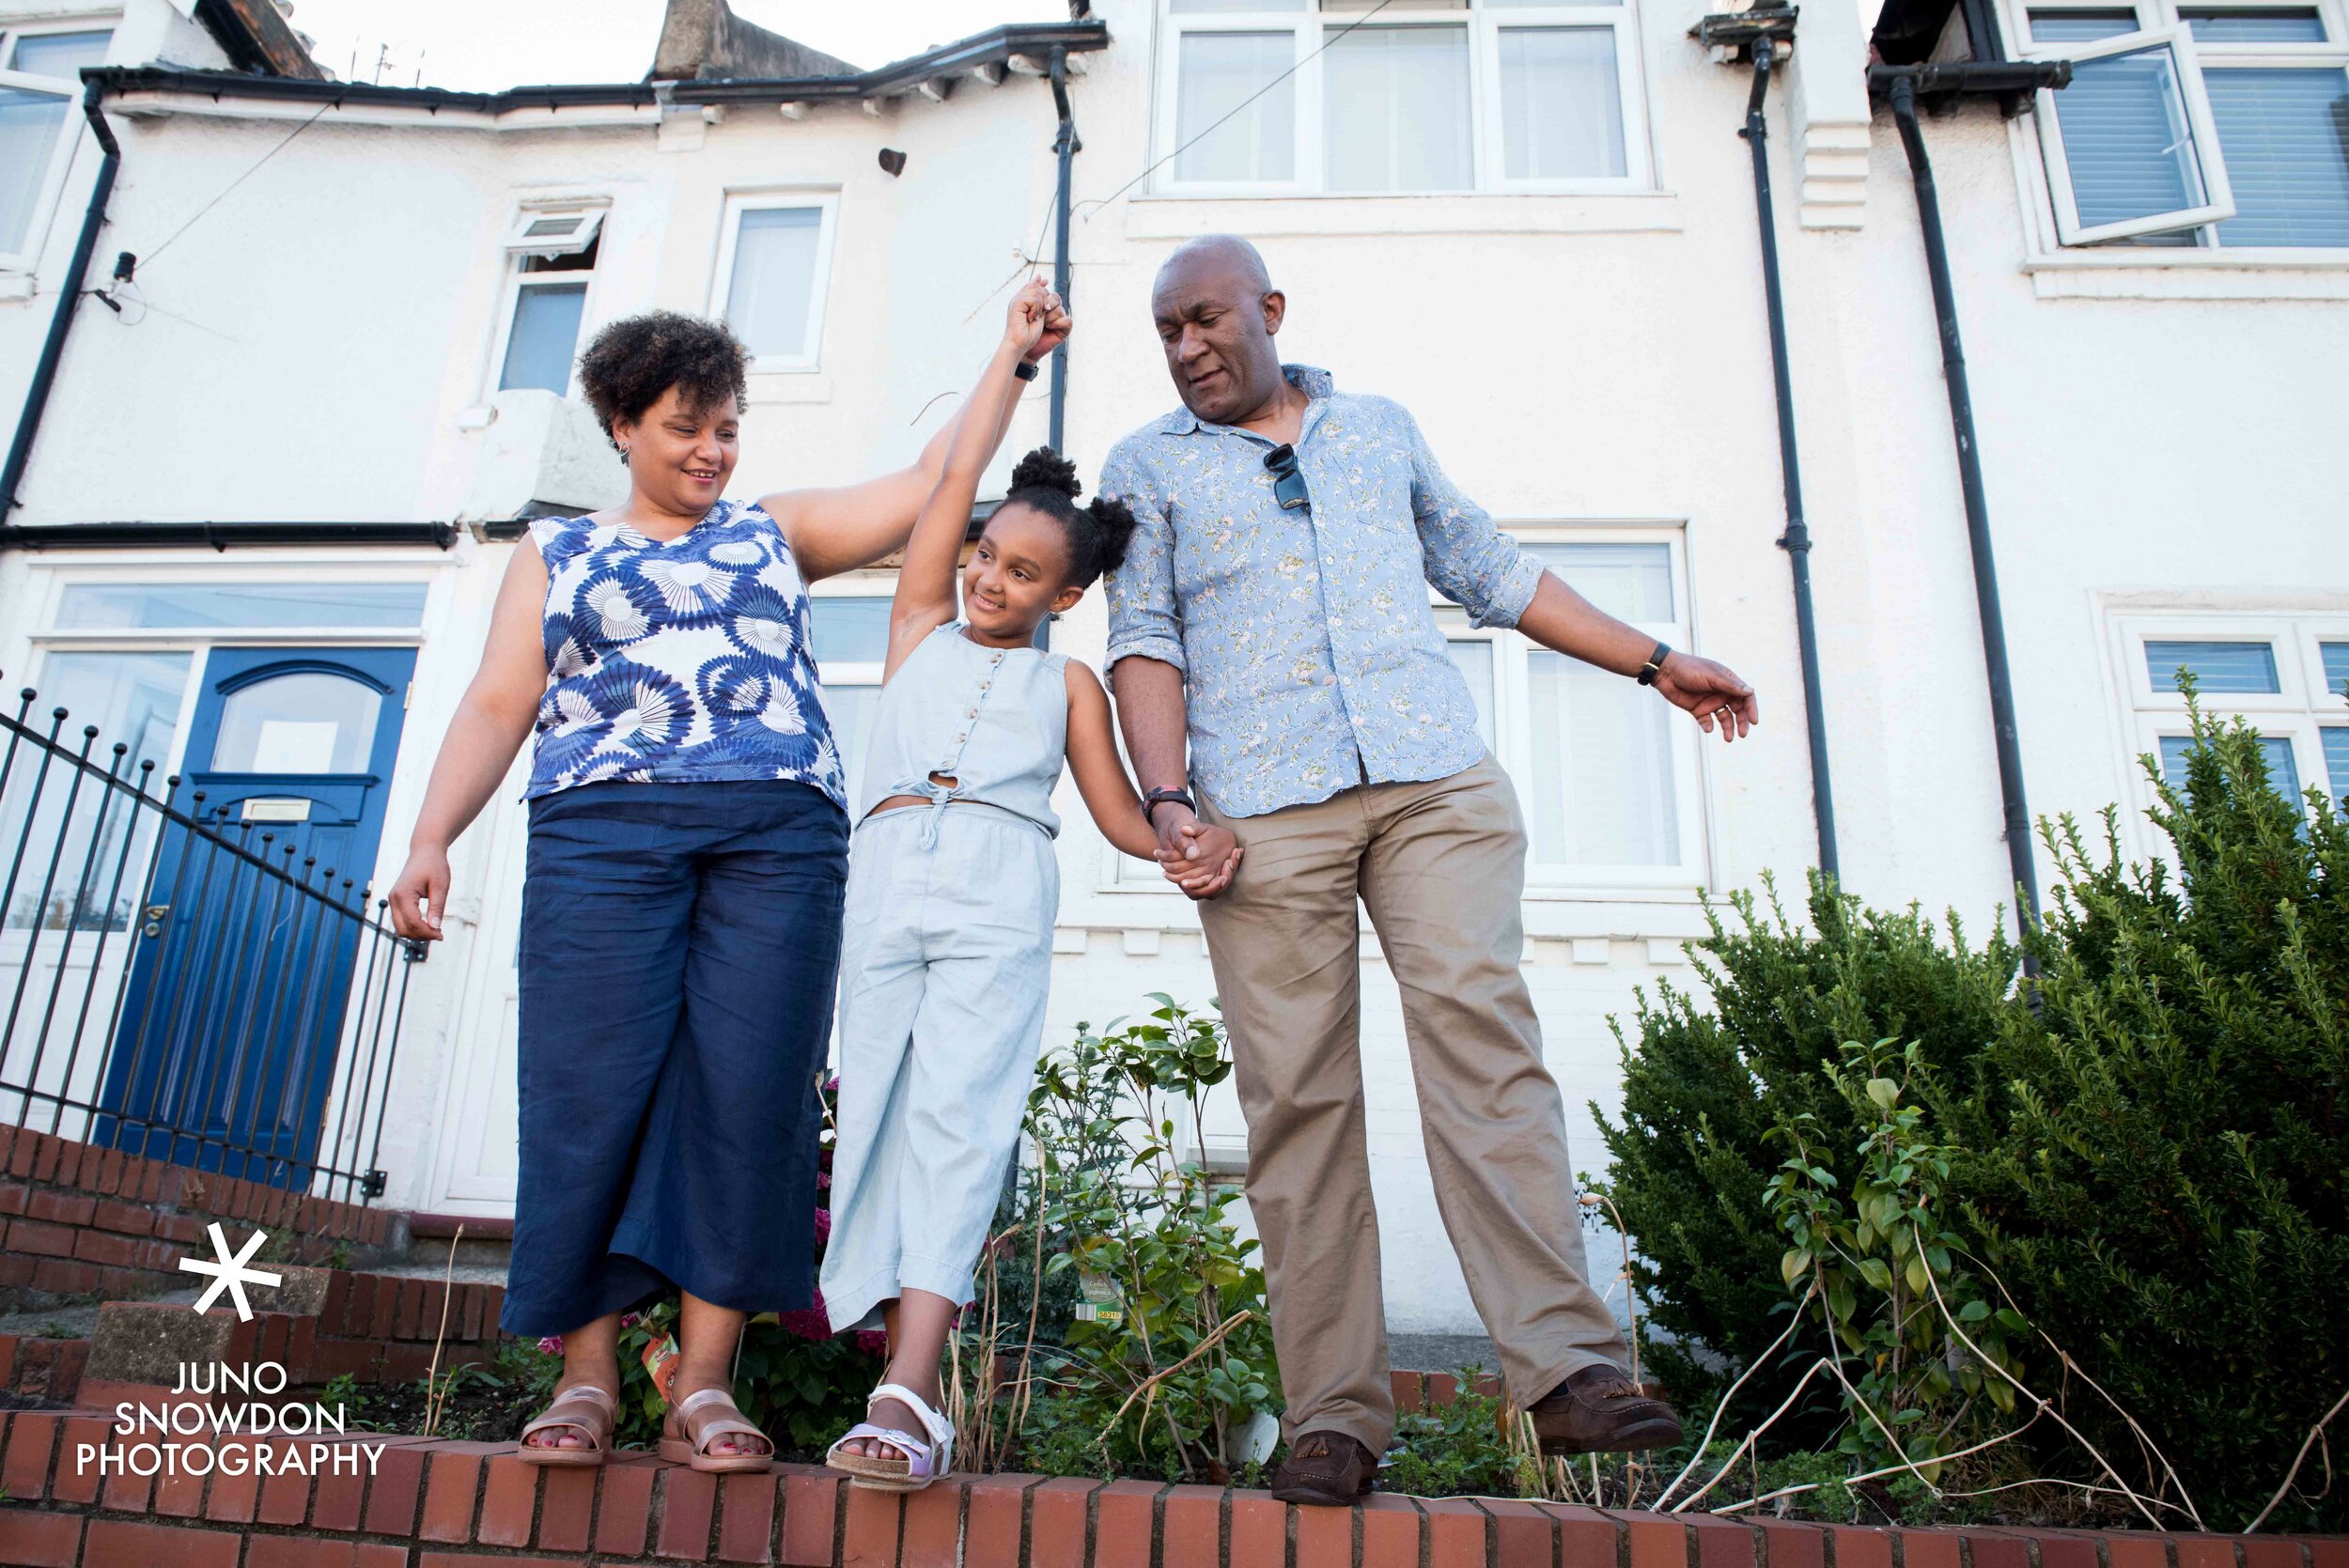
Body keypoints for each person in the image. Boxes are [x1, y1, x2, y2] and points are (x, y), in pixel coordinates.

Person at [1099, 235, 1762, 1506]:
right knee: (1297, 1102)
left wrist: (1652, 659)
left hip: (1432, 781)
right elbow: (1144, 639)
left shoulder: (1379, 428)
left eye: (1206, 320)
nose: (1186, 348)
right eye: (1165, 331)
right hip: (1264, 808)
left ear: (1269, 311)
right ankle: (1335, 1416)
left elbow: (1490, 570)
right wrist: (1170, 801)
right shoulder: (1146, 468)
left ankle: (1568, 1367)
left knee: (1480, 1033)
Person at [383, 302, 1060, 1473]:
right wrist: (433, 834)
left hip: (777, 838)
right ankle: (589, 1373)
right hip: (602, 829)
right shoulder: (557, 552)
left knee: (750, 1097)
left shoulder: (770, 530)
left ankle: (703, 1382)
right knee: (585, 1086)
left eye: (728, 431)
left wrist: (1006, 360)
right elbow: (500, 700)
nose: (712, 452)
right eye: (686, 428)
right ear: (621, 424)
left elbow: (939, 474)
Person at [818, 280, 1242, 1492]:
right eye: (985, 559)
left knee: (960, 1121)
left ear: (1063, 597)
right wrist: (1011, 359)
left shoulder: (1067, 688)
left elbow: (1115, 813)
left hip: (1004, 884)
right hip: (889, 871)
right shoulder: (917, 628)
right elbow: (948, 486)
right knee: (875, 1118)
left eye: (1020, 575)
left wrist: (1187, 843)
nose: (988, 580)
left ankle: (907, 1395)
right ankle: (871, 1344)